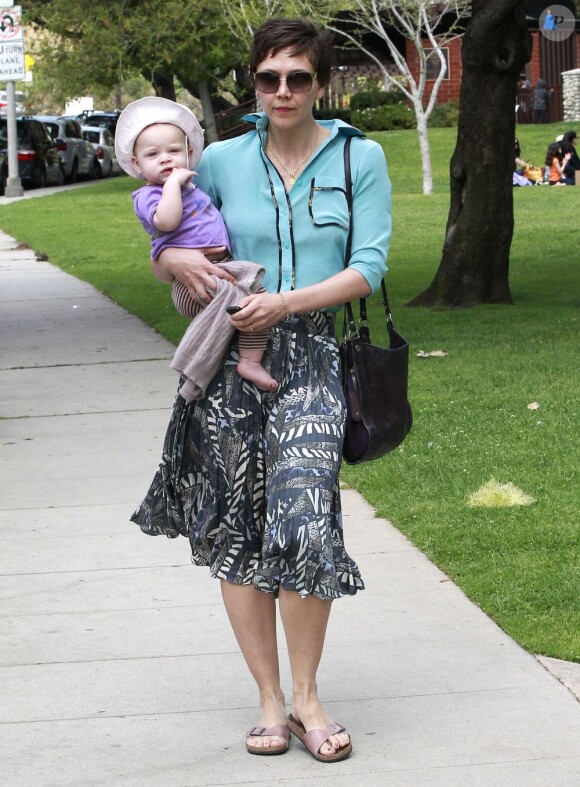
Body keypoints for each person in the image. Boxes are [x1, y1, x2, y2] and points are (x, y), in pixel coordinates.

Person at [130, 18, 391, 763]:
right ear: (253, 82)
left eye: (298, 78)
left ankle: (308, 696)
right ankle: (270, 700)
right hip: (227, 359)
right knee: (237, 529)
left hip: (308, 354)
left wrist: (286, 303)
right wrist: (170, 268)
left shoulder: (357, 158)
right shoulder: (216, 159)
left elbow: (367, 266)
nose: (282, 91)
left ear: (322, 82)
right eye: (269, 77)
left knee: (306, 518)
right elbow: (172, 242)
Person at [114, 97, 277, 396]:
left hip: (221, 267)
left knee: (257, 297)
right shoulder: (149, 195)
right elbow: (166, 221)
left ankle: (250, 360)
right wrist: (174, 184)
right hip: (191, 283)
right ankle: (195, 374)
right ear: (136, 163)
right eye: (153, 154)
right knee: (243, 302)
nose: (165, 159)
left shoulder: (190, 187)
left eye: (173, 151)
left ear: (189, 154)